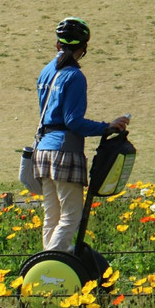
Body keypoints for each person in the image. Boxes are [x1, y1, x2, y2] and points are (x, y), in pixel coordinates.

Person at [33, 17, 129, 252]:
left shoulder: (46, 71)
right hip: (64, 151)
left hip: (43, 149)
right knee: (70, 216)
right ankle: (53, 264)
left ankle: (47, 265)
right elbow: (73, 121)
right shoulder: (74, 76)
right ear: (84, 48)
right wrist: (106, 127)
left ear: (58, 44)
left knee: (52, 216)